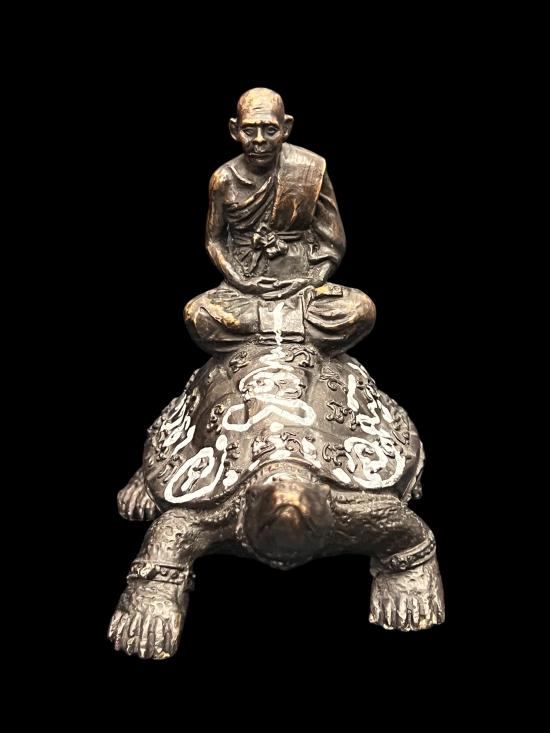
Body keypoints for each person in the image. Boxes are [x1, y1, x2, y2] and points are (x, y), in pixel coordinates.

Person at [184, 88, 375, 355]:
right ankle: (284, 332)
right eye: (249, 130)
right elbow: (214, 241)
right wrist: (241, 281)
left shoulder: (309, 168)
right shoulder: (224, 179)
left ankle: (273, 332)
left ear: (286, 128)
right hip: (246, 292)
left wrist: (311, 280)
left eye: (270, 130)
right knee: (198, 315)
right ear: (234, 130)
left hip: (302, 287)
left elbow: (332, 243)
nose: (259, 140)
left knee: (361, 309)